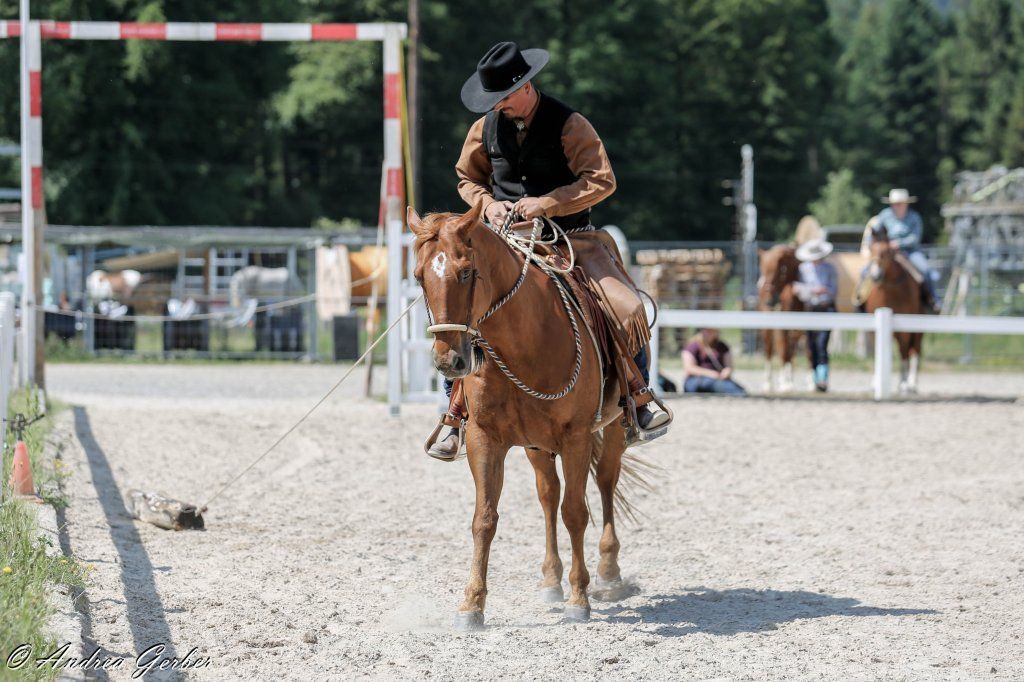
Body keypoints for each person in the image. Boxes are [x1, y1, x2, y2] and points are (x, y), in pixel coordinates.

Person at [426, 42, 669, 459]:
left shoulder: (570, 124)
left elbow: (601, 179)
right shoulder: (484, 128)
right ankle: (455, 412)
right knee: (458, 305)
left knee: (627, 307)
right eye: (493, 100)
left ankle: (637, 398)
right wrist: (488, 204)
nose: (497, 106)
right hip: (504, 242)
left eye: (503, 98)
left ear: (525, 87)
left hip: (571, 239)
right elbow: (467, 179)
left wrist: (549, 203)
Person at [870, 188, 939, 312]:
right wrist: (879, 245)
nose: (897, 206)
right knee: (866, 271)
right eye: (895, 203)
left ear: (906, 204)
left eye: (900, 203)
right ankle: (861, 301)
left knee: (925, 270)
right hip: (888, 253)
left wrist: (899, 243)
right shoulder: (884, 215)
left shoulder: (914, 217)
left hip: (910, 252)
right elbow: (874, 232)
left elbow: (915, 238)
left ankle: (932, 300)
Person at [793, 238, 838, 392]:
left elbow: (833, 290)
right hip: (810, 308)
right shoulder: (803, 269)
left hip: (826, 308)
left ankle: (822, 378)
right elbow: (797, 289)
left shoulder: (830, 268)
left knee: (822, 343)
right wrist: (813, 290)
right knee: (811, 344)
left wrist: (819, 291)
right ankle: (813, 376)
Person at [682, 328, 746, 396]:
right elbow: (689, 368)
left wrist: (726, 372)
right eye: (708, 330)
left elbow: (729, 366)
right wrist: (711, 374)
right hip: (696, 379)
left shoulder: (722, 346)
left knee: (724, 384)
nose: (710, 332)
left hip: (717, 379)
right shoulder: (693, 346)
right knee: (714, 383)